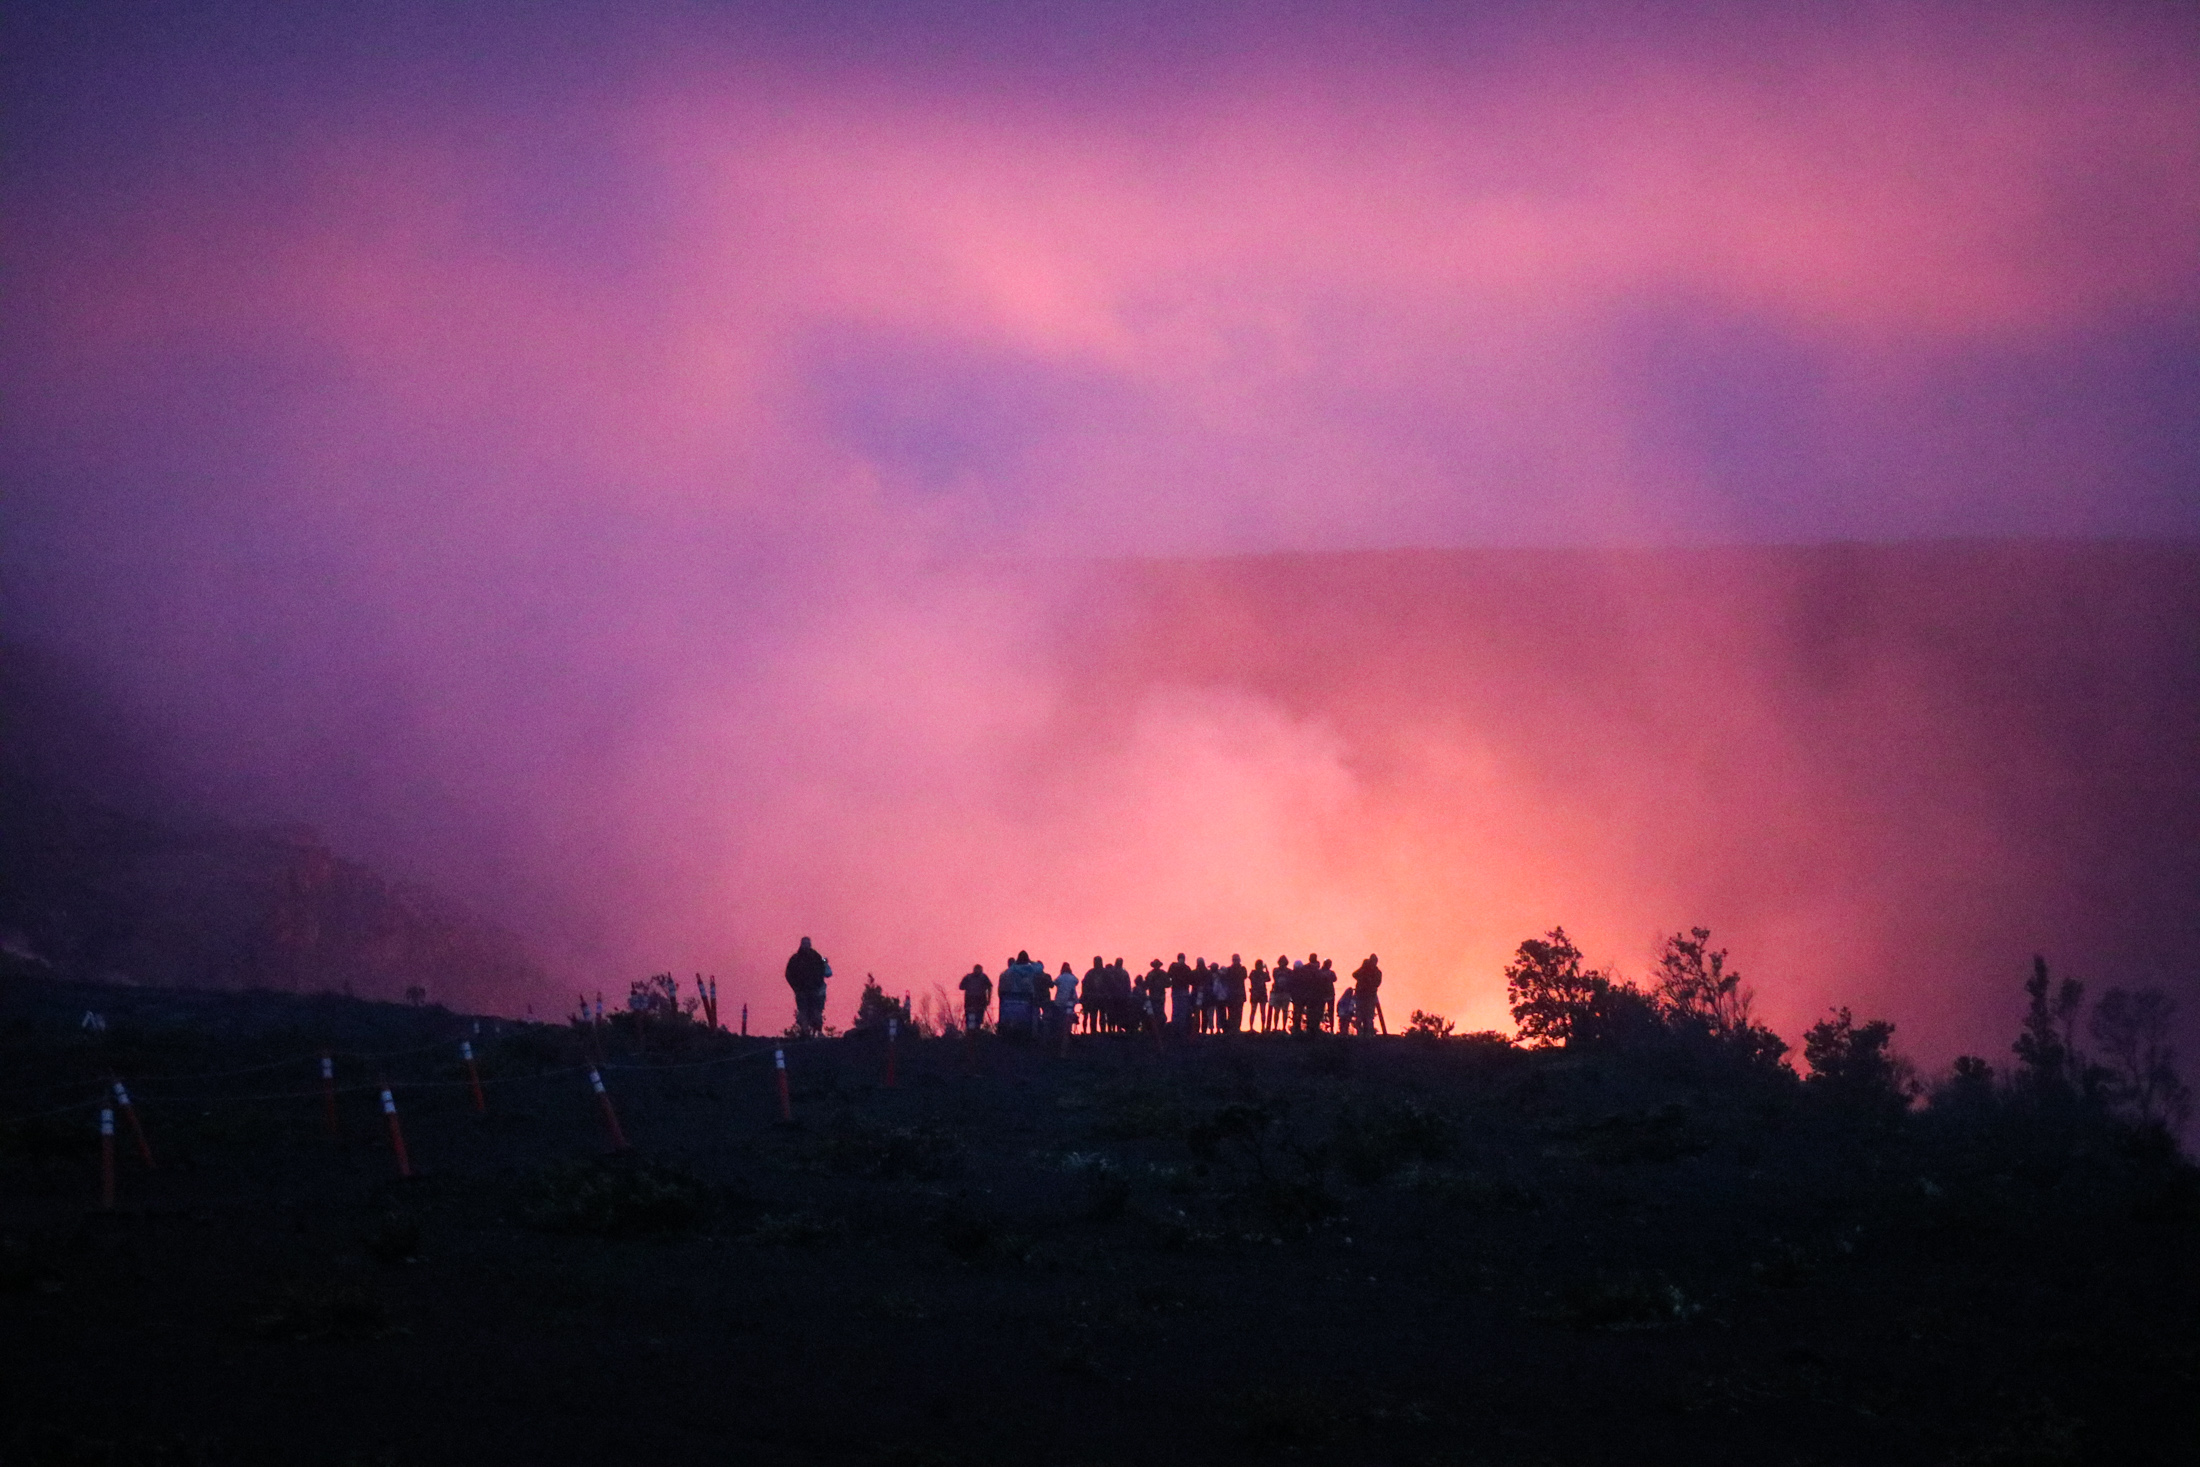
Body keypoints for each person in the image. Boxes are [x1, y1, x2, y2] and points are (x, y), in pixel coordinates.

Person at [785, 937, 830, 1036]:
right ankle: (805, 1033)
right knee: (803, 1011)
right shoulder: (795, 959)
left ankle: (818, 1031)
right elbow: (788, 974)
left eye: (807, 943)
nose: (806, 945)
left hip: (814, 990)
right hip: (801, 991)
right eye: (804, 943)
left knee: (816, 1011)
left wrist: (818, 985)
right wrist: (796, 987)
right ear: (801, 944)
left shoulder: (816, 957)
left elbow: (823, 971)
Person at [1352, 954, 1385, 1035]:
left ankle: (1368, 1034)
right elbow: (1354, 974)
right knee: (1360, 1015)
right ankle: (1360, 1033)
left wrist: (1368, 980)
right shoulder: (1364, 969)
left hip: (1370, 996)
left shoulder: (1377, 972)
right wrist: (1363, 968)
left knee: (1369, 1016)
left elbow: (1376, 983)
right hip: (1361, 995)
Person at [959, 963, 993, 1033]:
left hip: (973, 1001)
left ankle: (972, 1033)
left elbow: (961, 987)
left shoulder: (969, 977)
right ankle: (973, 1033)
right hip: (976, 1001)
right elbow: (989, 987)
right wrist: (988, 999)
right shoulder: (983, 977)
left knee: (974, 1019)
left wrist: (988, 999)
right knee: (975, 1018)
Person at [1054, 961, 1078, 1046]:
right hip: (1070, 1000)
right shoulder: (1072, 977)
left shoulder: (1060, 977)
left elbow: (1055, 983)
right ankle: (1068, 1032)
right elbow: (1077, 981)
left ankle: (1061, 1032)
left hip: (1060, 1000)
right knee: (1069, 1015)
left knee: (1061, 1016)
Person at [1223, 954, 1248, 1034]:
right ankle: (1231, 1029)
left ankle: (1237, 1028)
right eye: (1234, 959)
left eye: (1236, 959)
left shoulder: (1242, 969)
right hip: (1231, 995)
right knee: (1231, 1013)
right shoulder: (1229, 969)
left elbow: (1243, 976)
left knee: (1239, 1013)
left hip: (1239, 995)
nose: (1235, 961)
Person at [1248, 958, 1270, 1032]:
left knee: (1258, 1011)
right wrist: (1266, 969)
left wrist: (1265, 970)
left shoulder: (1253, 973)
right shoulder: (1255, 973)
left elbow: (1268, 979)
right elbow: (1268, 978)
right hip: (1258, 993)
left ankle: (1257, 1027)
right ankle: (1257, 1027)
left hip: (1257, 993)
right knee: (1259, 1011)